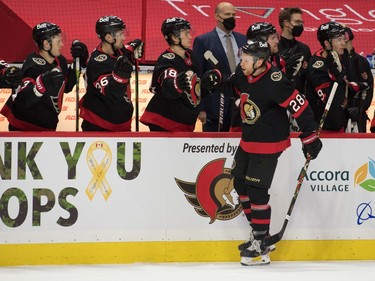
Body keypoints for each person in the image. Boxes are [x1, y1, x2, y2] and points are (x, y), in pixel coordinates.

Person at [230, 40, 322, 266]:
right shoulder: (244, 73)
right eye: (242, 58)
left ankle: (261, 241)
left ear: (260, 61)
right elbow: (233, 85)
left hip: (268, 143)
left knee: (256, 190)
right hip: (248, 140)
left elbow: (300, 106)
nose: (242, 63)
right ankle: (258, 234)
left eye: (247, 60)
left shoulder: (275, 81)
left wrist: (309, 135)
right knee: (239, 184)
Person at [0, 22, 87, 131]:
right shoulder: (33, 65)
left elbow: (67, 87)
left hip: (47, 126)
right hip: (23, 127)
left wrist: (78, 63)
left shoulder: (60, 60)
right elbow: (22, 99)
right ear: (46, 44)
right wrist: (39, 86)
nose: (62, 45)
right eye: (58, 41)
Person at [140, 17, 207, 132]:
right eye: (186, 34)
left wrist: (200, 107)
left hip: (184, 119)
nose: (190, 36)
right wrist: (175, 84)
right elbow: (168, 85)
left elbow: (195, 88)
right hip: (164, 121)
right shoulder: (166, 60)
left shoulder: (191, 56)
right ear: (175, 38)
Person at [79, 15, 144, 131]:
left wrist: (135, 45)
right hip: (100, 125)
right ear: (109, 37)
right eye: (120, 34)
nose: (124, 37)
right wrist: (120, 78)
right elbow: (111, 92)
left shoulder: (118, 50)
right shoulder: (98, 62)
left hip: (120, 122)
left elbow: (127, 49)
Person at [193, 2, 246, 132]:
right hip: (213, 105)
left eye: (233, 14)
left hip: (240, 103)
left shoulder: (243, 39)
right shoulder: (203, 41)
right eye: (227, 14)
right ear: (217, 16)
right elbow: (198, 75)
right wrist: (201, 108)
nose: (231, 17)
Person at [246, 22, 304, 132]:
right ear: (261, 42)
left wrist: (289, 77)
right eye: (273, 38)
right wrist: (285, 74)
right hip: (253, 127)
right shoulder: (249, 65)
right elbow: (264, 92)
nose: (277, 41)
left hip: (275, 124)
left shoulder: (277, 60)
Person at [305, 22, 348, 132]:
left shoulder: (339, 56)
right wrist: (337, 78)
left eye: (343, 39)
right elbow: (329, 101)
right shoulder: (317, 66)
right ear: (327, 43)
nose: (343, 43)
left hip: (338, 121)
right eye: (339, 40)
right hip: (322, 127)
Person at [341, 27, 373, 133]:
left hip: (360, 115)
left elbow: (369, 87)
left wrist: (361, 108)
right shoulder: (336, 60)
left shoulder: (362, 61)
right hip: (341, 114)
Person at [278, 7, 311, 95]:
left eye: (301, 22)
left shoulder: (305, 49)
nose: (300, 25)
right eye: (297, 22)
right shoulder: (274, 48)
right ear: (286, 23)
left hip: (299, 99)